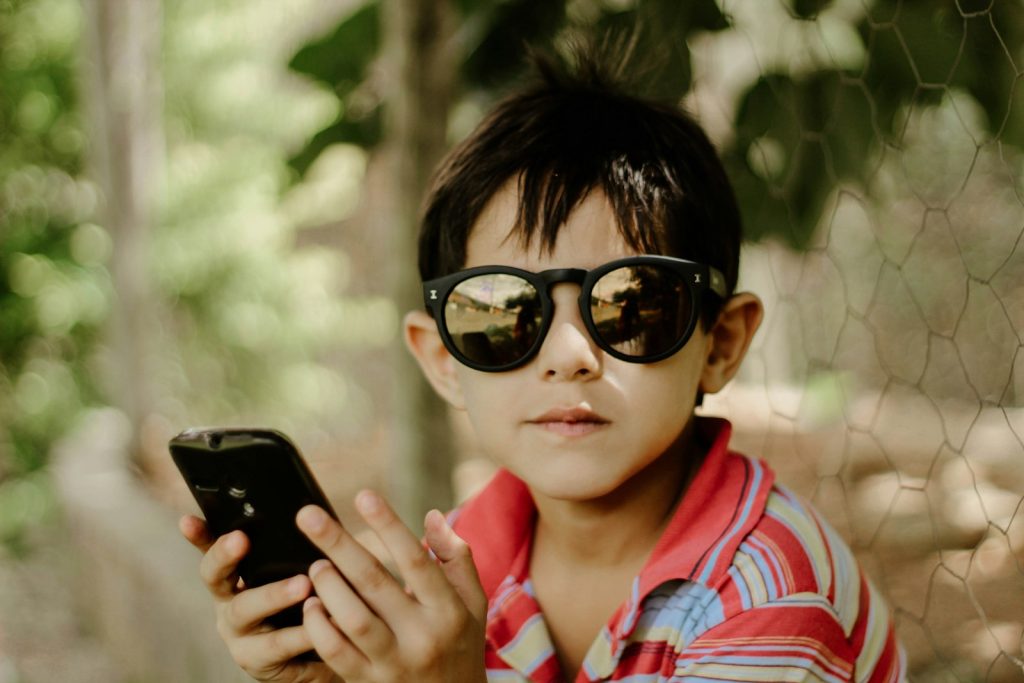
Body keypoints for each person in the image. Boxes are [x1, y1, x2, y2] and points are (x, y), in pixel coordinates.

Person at [179, 41, 906, 683]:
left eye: (631, 304)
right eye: (501, 312)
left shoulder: (774, 595)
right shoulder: (461, 567)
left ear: (720, 343)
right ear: (441, 360)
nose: (568, 356)